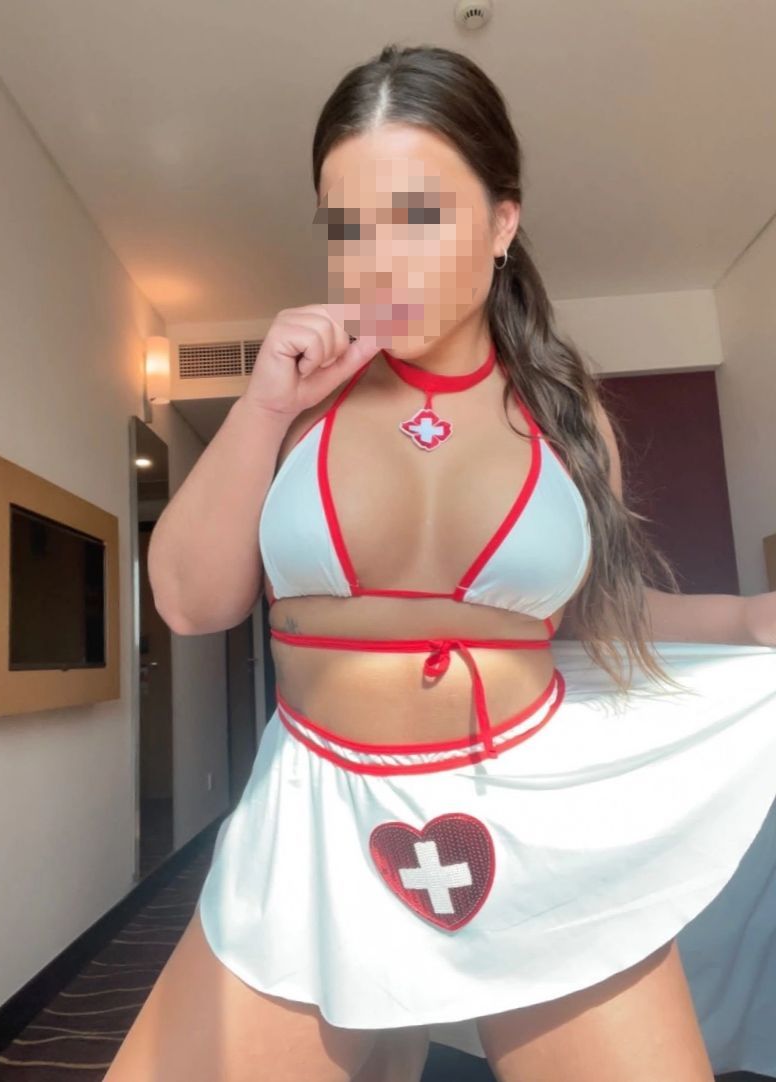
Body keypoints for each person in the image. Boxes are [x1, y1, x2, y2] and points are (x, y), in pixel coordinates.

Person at [105, 44, 776, 1082]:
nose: (379, 262)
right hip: (319, 814)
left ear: (503, 222)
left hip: (533, 805)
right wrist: (264, 404)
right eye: (349, 227)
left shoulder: (567, 418)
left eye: (418, 215)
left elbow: (594, 612)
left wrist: (750, 619)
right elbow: (191, 602)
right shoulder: (301, 400)